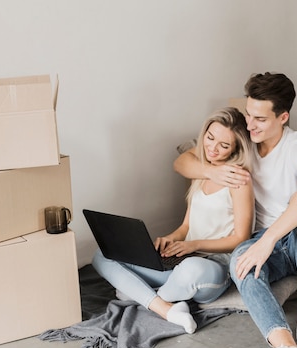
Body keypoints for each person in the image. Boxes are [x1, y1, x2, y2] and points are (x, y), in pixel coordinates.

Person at [174, 73, 297, 348]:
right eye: (248, 114)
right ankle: (287, 347)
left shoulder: (296, 145)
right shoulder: (247, 137)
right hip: (269, 245)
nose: (250, 125)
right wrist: (214, 171)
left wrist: (269, 239)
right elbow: (182, 162)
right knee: (240, 262)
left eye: (260, 119)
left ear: (283, 117)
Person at [92, 107, 254, 335]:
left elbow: (241, 238)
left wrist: (194, 245)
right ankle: (167, 309)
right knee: (102, 254)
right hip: (181, 261)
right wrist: (170, 239)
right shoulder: (201, 172)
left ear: (236, 148)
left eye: (224, 145)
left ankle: (136, 293)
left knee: (190, 269)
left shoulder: (239, 179)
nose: (213, 148)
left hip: (213, 267)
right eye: (210, 138)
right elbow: (187, 226)